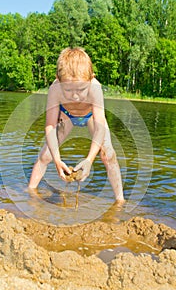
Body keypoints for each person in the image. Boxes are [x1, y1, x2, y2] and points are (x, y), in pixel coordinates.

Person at [28, 47, 125, 203]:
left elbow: (100, 125)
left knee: (108, 154)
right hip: (66, 115)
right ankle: (31, 192)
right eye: (67, 89)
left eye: (81, 89)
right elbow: (50, 126)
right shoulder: (55, 88)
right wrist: (57, 160)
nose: (74, 96)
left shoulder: (95, 87)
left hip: (91, 116)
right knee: (46, 155)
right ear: (58, 80)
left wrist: (88, 160)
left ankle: (120, 200)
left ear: (91, 79)